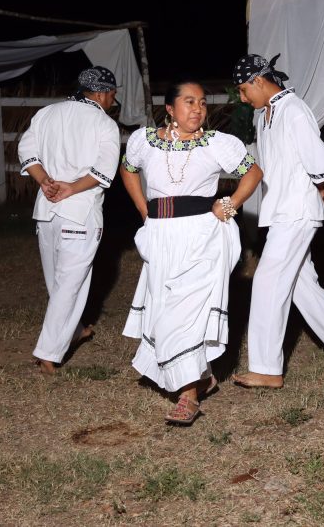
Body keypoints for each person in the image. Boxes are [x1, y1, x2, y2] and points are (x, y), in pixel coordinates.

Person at [121, 80, 262, 425]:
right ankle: (200, 376)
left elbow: (253, 172)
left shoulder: (217, 144)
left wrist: (229, 204)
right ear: (170, 108)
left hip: (204, 235)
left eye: (201, 102)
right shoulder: (144, 140)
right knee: (165, 308)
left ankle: (188, 397)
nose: (198, 108)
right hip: (162, 236)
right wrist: (144, 211)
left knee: (185, 313)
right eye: (188, 102)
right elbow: (128, 170)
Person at [231, 53, 324, 389]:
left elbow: (317, 160)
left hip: (295, 214)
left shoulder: (293, 109)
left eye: (245, 90)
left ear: (259, 81)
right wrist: (318, 192)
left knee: (267, 282)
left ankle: (267, 368)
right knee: (301, 286)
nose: (244, 99)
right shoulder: (267, 115)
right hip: (285, 209)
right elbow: (285, 166)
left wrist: (316, 185)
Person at [17, 66, 121, 374]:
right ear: (102, 93)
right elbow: (104, 170)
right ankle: (49, 353)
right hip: (79, 212)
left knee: (58, 283)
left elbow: (26, 150)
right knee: (68, 286)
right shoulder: (104, 123)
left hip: (46, 211)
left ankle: (73, 330)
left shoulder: (47, 113)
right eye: (113, 96)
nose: (113, 102)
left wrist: (45, 181)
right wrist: (71, 187)